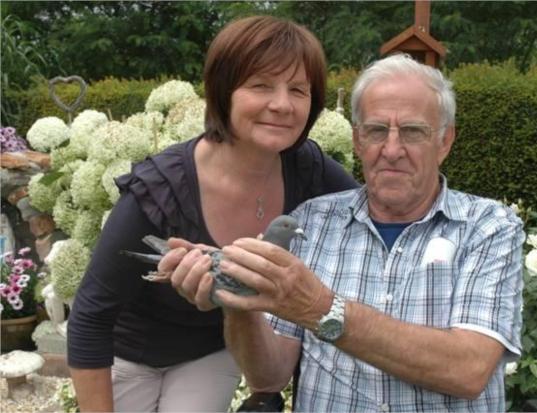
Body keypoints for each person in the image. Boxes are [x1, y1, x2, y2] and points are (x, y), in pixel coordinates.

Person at [167, 53, 525, 412]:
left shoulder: (487, 227)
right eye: (376, 130)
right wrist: (240, 302)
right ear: (357, 140)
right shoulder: (312, 222)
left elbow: (468, 370)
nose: (392, 150)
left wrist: (322, 308)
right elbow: (269, 378)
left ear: (444, 141)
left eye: (413, 132)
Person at [67, 15, 358, 412]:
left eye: (298, 89)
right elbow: (90, 316)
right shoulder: (159, 188)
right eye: (260, 85)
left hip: (211, 353)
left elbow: (373, 215)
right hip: (128, 354)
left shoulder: (310, 169)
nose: (282, 104)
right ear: (223, 91)